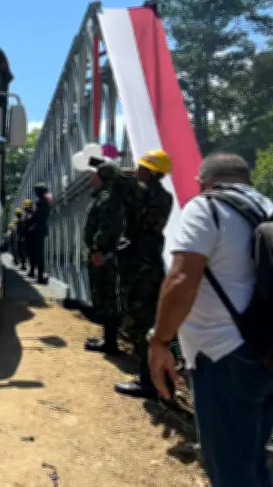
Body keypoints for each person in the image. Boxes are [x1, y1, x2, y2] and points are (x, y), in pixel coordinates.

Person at [149, 153, 273, 486]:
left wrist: (160, 341)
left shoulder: (207, 207)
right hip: (268, 351)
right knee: (254, 456)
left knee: (231, 468)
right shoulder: (268, 206)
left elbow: (181, 279)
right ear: (245, 178)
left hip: (224, 355)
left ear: (203, 182)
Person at [114, 150, 173, 398]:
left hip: (137, 264)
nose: (137, 170)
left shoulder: (138, 192)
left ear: (149, 170)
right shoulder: (165, 196)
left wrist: (121, 176)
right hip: (152, 262)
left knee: (139, 323)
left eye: (141, 167)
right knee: (149, 319)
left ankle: (147, 382)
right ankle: (159, 379)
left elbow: (124, 200)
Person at [82, 158, 124, 356]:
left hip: (104, 256)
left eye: (94, 174)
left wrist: (98, 249)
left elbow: (107, 227)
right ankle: (108, 339)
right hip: (104, 254)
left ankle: (110, 342)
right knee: (103, 297)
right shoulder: (104, 196)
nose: (91, 177)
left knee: (106, 296)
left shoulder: (106, 197)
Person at [26, 183, 50, 284]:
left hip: (38, 230)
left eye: (36, 191)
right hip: (39, 229)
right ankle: (40, 275)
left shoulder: (41, 202)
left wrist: (29, 218)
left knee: (38, 254)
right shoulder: (44, 201)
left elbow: (37, 216)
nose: (35, 193)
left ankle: (40, 276)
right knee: (38, 254)